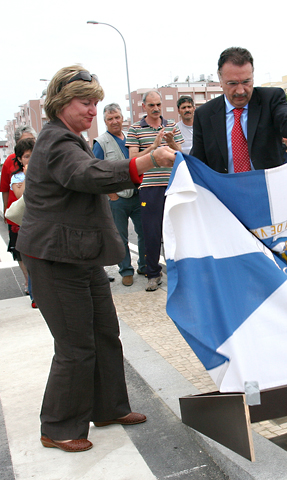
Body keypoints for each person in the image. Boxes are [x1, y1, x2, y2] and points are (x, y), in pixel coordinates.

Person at [16, 65, 178, 452]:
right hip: (55, 259)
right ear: (60, 103)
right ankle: (57, 426)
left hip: (79, 255)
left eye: (95, 103)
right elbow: (89, 176)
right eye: (85, 103)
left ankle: (108, 407)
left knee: (105, 334)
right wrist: (147, 161)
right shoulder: (57, 141)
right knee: (74, 345)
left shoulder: (70, 137)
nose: (92, 110)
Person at [191, 47, 287, 173]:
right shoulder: (204, 115)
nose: (240, 91)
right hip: (224, 190)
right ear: (220, 80)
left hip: (265, 188)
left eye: (246, 82)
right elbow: (197, 162)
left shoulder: (271, 99)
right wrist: (175, 159)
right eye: (232, 83)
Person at [126, 90, 184, 291]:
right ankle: (153, 274)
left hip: (172, 185)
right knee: (151, 232)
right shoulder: (135, 129)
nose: (156, 108)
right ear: (144, 107)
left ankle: (181, 272)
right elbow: (133, 159)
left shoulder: (172, 126)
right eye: (151, 105)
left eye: (158, 104)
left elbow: (181, 153)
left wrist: (171, 143)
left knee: (177, 231)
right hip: (149, 187)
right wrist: (154, 146)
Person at [93, 103, 146, 287]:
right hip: (118, 198)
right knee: (120, 237)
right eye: (110, 119)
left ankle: (144, 265)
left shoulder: (131, 137)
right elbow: (96, 172)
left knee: (144, 232)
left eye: (117, 117)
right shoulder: (100, 142)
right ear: (105, 121)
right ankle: (126, 270)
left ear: (122, 118)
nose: (114, 121)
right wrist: (111, 194)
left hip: (137, 194)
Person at [7, 137, 35, 296]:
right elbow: (20, 195)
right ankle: (34, 295)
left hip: (43, 222)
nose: (30, 159)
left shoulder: (43, 170)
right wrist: (27, 176)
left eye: (33, 155)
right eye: (26, 156)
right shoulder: (17, 176)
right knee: (30, 259)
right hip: (26, 224)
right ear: (19, 158)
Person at [1, 126, 36, 253]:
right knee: (19, 251)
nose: (29, 144)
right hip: (18, 212)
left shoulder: (42, 159)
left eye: (32, 140)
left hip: (37, 215)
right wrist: (6, 209)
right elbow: (5, 188)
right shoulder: (9, 162)